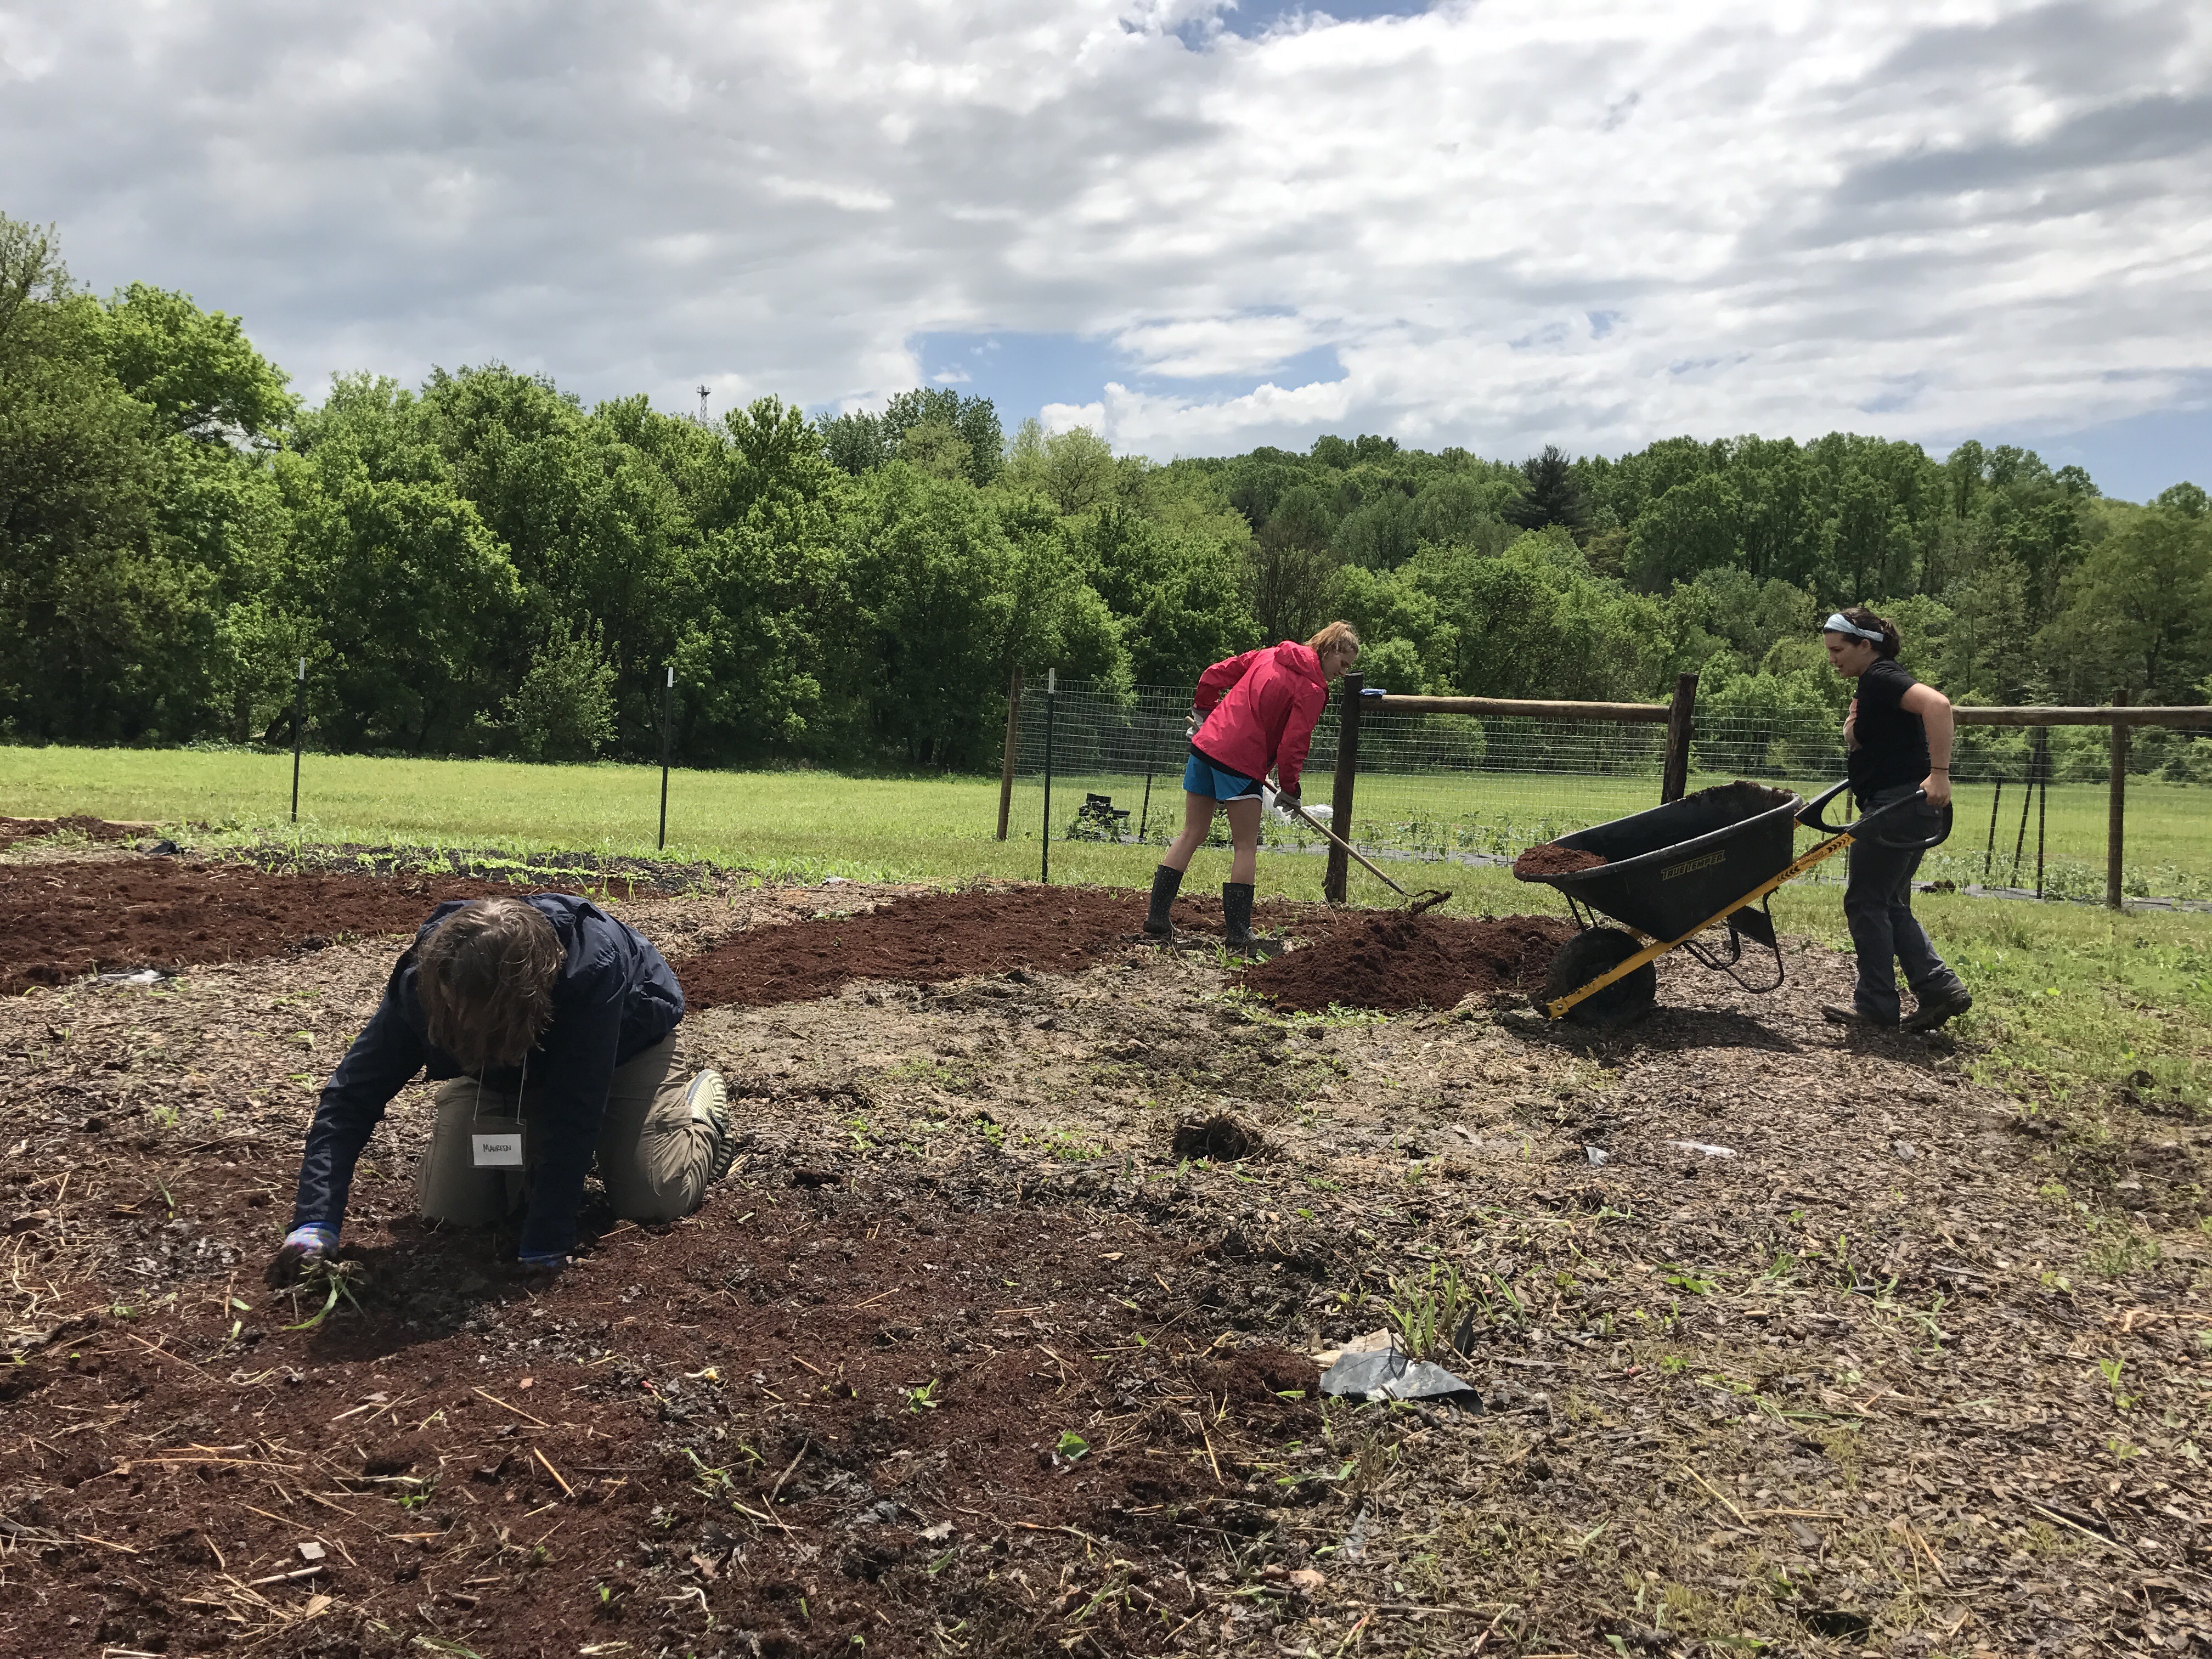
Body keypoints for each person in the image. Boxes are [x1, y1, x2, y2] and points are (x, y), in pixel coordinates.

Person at [267, 894, 735, 1284]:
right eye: (452, 1013)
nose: (459, 1022)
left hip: (622, 1051)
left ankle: (698, 1108)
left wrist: (546, 1242)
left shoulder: (590, 973)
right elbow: (350, 1096)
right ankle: (512, 1140)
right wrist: (314, 1222)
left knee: (651, 1197)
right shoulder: (425, 982)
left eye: (478, 1017)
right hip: (503, 1067)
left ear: (531, 996)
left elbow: (577, 1107)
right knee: (457, 1210)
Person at [1144, 622, 1361, 948]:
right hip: (1241, 761)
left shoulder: (1270, 654)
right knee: (1245, 846)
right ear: (1330, 650)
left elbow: (1213, 675)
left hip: (1206, 748)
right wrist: (1291, 788)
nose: (1343, 673)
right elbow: (1294, 743)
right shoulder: (1314, 688)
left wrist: (1203, 713)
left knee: (1192, 832)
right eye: (1343, 664)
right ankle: (1239, 933)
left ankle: (1157, 917)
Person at [1819, 607, 1973, 1032]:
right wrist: (1855, 736)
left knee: (1866, 901)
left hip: (1898, 806)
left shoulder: (1881, 677)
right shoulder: (1876, 683)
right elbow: (1883, 739)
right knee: (1888, 901)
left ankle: (1876, 1006)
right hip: (1907, 806)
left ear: (1865, 646)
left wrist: (1940, 774)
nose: (1833, 659)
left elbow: (1938, 706)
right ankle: (1938, 987)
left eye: (1838, 650)